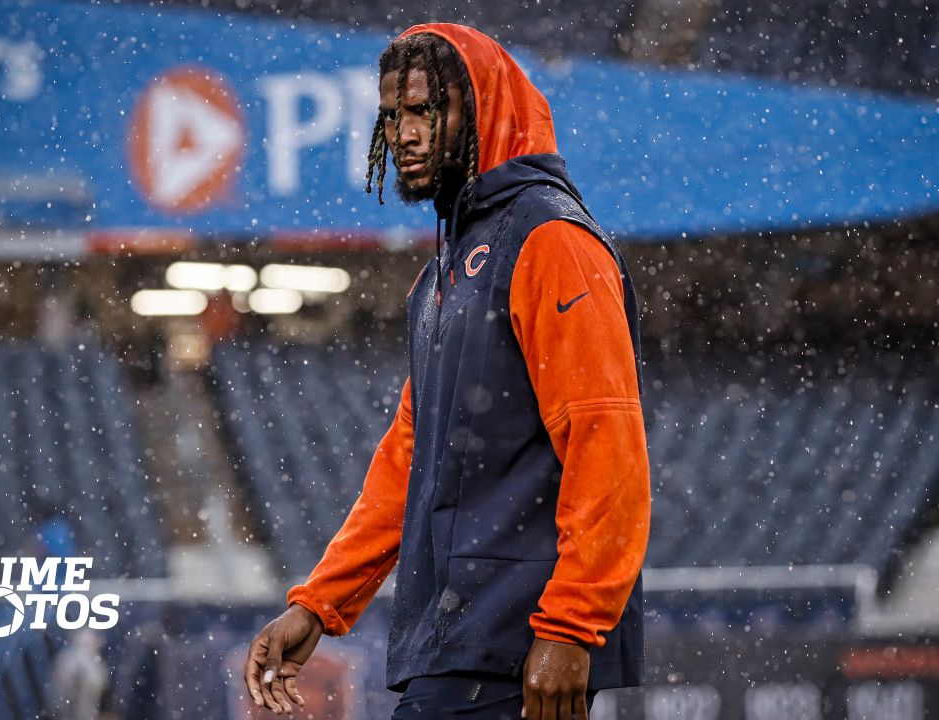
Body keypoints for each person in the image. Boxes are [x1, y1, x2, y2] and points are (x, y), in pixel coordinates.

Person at [244, 23, 650, 720]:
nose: (403, 133)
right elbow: (409, 459)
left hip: (516, 648)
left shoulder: (552, 242)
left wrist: (571, 626)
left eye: (426, 111)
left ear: (482, 110)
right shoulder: (441, 275)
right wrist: (320, 604)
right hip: (458, 646)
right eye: (392, 115)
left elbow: (607, 443)